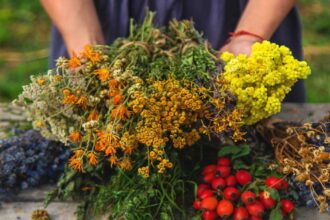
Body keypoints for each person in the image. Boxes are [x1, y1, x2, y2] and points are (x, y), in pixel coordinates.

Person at [41, 0, 306, 102]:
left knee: (261, 160)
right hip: (97, 15)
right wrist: (84, 41)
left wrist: (249, 35)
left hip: (243, 15)